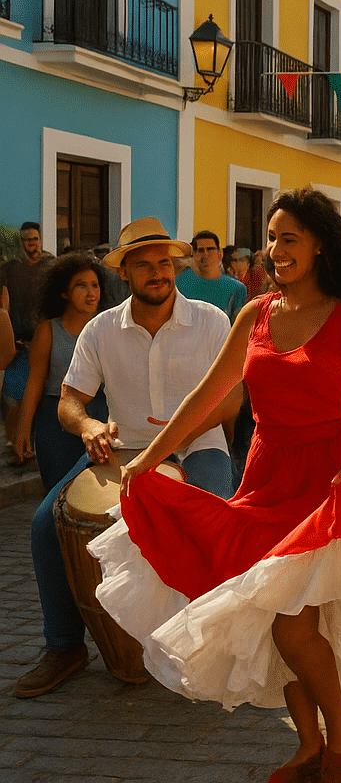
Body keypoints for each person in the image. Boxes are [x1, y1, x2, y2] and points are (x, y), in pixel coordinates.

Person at [89, 191, 341, 783]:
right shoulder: (255, 314)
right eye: (271, 238)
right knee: (272, 612)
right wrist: (150, 459)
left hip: (329, 481)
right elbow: (208, 395)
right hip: (265, 477)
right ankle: (309, 745)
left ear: (318, 246)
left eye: (288, 238)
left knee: (290, 620)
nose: (274, 249)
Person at [15, 218, 237, 701]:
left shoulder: (211, 321)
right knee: (44, 525)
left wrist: (175, 439)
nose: (158, 273)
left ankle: (215, 644)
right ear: (124, 273)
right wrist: (88, 425)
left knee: (213, 520)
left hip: (198, 446)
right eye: (144, 265)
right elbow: (69, 401)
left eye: (164, 263)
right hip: (122, 450)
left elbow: (232, 400)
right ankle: (64, 645)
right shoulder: (101, 330)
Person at [10, 254, 109, 486]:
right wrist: (23, 429)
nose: (91, 292)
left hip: (101, 420)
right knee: (59, 492)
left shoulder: (107, 327)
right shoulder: (48, 330)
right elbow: (35, 381)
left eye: (95, 285)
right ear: (64, 292)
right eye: (81, 286)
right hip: (55, 423)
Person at [2, 222, 55, 446]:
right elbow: (4, 304)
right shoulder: (10, 269)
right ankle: (17, 445)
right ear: (21, 242)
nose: (31, 243)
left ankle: (35, 444)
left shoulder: (51, 265)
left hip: (46, 341)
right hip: (19, 344)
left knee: (43, 397)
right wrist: (7, 339)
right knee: (13, 397)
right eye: (26, 239)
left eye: (34, 239)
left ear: (40, 239)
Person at [177, 230, 248, 322]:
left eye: (210, 249)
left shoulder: (236, 289)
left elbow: (238, 325)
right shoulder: (178, 282)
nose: (205, 254)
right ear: (194, 254)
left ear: (220, 254)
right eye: (200, 250)